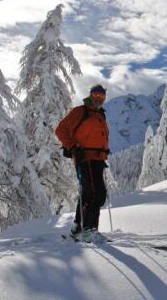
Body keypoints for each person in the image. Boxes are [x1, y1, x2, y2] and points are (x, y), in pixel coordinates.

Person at [55, 84, 110, 239]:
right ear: (90, 95)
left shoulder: (100, 114)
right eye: (96, 95)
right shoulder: (80, 111)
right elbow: (60, 130)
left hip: (98, 160)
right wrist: (73, 147)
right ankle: (89, 230)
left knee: (88, 193)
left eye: (102, 96)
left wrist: (105, 150)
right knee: (96, 194)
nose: (99, 98)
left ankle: (78, 227)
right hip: (85, 158)